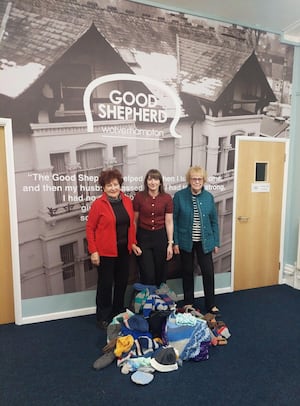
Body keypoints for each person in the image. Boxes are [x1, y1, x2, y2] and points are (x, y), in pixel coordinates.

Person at [86, 168, 141, 329]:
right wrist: (93, 251)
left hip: (124, 251)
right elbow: (90, 228)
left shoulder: (127, 201)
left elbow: (130, 225)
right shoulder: (98, 204)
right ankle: (103, 317)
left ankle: (117, 311)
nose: (113, 188)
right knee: (105, 285)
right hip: (105, 253)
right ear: (103, 187)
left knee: (121, 283)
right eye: (109, 185)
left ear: (120, 185)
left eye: (115, 184)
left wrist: (133, 243)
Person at [173, 166, 220, 314]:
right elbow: (173, 220)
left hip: (205, 241)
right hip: (185, 241)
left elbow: (214, 221)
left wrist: (216, 242)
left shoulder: (208, 197)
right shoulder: (180, 196)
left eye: (199, 179)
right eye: (194, 178)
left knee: (208, 272)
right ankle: (189, 303)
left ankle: (211, 304)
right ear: (189, 180)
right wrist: (175, 241)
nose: (197, 181)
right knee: (187, 272)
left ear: (204, 180)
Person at [133, 169, 174, 287]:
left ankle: (161, 301)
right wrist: (134, 242)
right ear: (146, 182)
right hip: (143, 237)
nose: (153, 182)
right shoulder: (139, 197)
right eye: (150, 179)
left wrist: (170, 243)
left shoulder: (167, 198)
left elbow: (169, 221)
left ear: (160, 182)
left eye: (156, 179)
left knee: (161, 272)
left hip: (160, 237)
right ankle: (148, 301)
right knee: (147, 273)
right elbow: (134, 221)